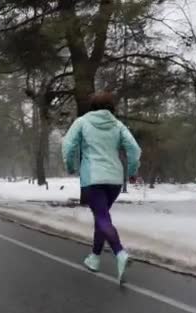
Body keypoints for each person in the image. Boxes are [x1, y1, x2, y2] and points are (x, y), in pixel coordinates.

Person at [61, 92, 142, 284]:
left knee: (102, 218)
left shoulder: (82, 122)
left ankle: (119, 252)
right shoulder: (117, 125)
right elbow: (134, 149)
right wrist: (132, 171)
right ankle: (95, 258)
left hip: (93, 177)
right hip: (114, 179)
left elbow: (68, 145)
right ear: (110, 108)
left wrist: (71, 166)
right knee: (101, 217)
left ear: (92, 107)